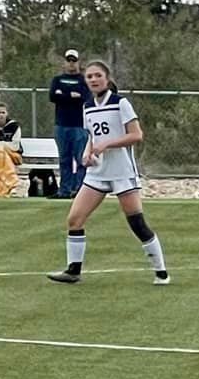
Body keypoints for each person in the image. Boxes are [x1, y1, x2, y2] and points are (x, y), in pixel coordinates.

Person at [46, 61, 169, 285]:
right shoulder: (88, 106)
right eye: (89, 76)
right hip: (98, 173)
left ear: (107, 78)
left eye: (97, 75)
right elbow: (92, 137)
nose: (93, 79)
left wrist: (107, 145)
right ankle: (73, 271)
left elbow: (136, 135)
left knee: (137, 223)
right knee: (74, 219)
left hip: (122, 172)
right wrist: (87, 153)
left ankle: (161, 271)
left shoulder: (120, 103)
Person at [48, 49, 88, 199]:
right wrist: (70, 96)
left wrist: (63, 95)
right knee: (64, 159)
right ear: (64, 62)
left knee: (80, 160)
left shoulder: (83, 80)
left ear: (78, 63)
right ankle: (64, 190)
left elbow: (84, 96)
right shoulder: (57, 80)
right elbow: (53, 96)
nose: (71, 64)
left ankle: (79, 190)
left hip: (79, 125)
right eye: (69, 61)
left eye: (74, 61)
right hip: (62, 124)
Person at [0, 102, 23, 198]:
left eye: (3, 113)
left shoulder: (14, 126)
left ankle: (2, 186)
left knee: (1, 153)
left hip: (14, 156)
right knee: (0, 155)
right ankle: (13, 185)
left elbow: (15, 146)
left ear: (7, 114)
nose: (1, 115)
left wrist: (2, 145)